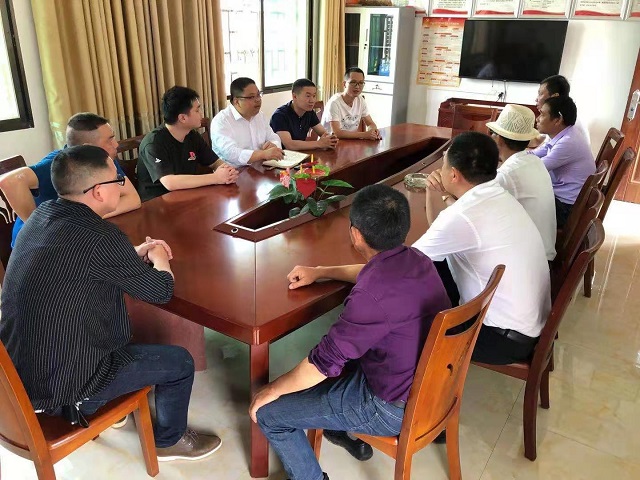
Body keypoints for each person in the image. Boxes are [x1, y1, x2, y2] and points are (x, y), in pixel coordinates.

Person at [0, 145, 222, 461]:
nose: (121, 184)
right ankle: (169, 441)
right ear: (98, 191)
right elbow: (161, 291)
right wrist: (159, 256)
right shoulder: (102, 235)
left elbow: (75, 259)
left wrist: (131, 254)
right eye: (117, 179)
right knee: (179, 362)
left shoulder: (41, 215)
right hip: (64, 392)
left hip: (19, 378)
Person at [250, 184, 451, 480]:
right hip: (434, 386)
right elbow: (369, 273)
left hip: (390, 407)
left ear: (355, 234)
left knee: (270, 414)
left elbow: (322, 365)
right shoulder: (417, 259)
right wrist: (320, 271)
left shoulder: (371, 297)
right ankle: (338, 427)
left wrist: (270, 391)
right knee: (343, 360)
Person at [415, 131, 551, 366]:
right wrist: (433, 191)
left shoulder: (464, 215)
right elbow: (438, 231)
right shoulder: (496, 195)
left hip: (500, 339)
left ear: (454, 174)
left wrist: (340, 271)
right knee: (434, 265)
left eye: (444, 163)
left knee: (406, 314)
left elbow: (404, 263)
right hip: (526, 326)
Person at [0, 113, 141, 247]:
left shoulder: (103, 158)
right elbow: (10, 182)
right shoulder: (60, 163)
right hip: (38, 244)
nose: (116, 144)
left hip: (71, 232)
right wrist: (39, 228)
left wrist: (82, 220)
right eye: (109, 140)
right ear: (88, 148)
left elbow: (133, 199)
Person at [136, 86, 239, 202]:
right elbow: (170, 182)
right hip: (158, 203)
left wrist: (227, 171)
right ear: (183, 118)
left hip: (188, 195)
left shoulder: (192, 135)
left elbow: (214, 162)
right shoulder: (153, 143)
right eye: (197, 110)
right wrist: (216, 177)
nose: (201, 114)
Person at [485, 104, 557, 260]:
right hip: (541, 253)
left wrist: (446, 195)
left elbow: (476, 209)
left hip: (529, 260)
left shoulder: (507, 174)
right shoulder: (534, 161)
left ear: (499, 139)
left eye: (493, 134)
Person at [531, 96, 595, 228]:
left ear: (558, 120)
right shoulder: (564, 133)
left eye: (542, 114)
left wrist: (511, 159)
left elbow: (536, 168)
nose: (537, 119)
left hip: (565, 209)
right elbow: (536, 154)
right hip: (563, 200)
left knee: (520, 200)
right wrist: (514, 156)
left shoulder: (568, 142)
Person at [210, 77, 284, 167]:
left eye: (258, 95)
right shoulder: (221, 121)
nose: (258, 100)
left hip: (261, 168)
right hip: (233, 172)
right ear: (237, 101)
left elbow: (273, 136)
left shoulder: (260, 115)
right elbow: (231, 153)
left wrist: (274, 146)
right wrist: (263, 154)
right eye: (251, 97)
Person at [270, 78, 338, 151]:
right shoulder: (280, 115)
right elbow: (289, 145)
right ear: (294, 96)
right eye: (308, 96)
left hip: (300, 154)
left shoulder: (309, 112)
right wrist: (319, 143)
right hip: (281, 156)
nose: (312, 100)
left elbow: (323, 133)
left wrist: (331, 139)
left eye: (314, 96)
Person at [321, 67, 381, 140]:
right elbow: (337, 133)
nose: (357, 86)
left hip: (350, 142)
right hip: (331, 143)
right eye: (353, 82)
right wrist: (364, 134)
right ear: (344, 84)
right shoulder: (334, 103)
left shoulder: (360, 100)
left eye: (361, 83)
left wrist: (373, 131)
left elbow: (370, 123)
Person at [532, 74, 590, 147]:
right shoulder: (557, 115)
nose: (536, 99)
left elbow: (543, 149)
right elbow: (537, 141)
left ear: (555, 96)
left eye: (540, 94)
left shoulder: (565, 124)